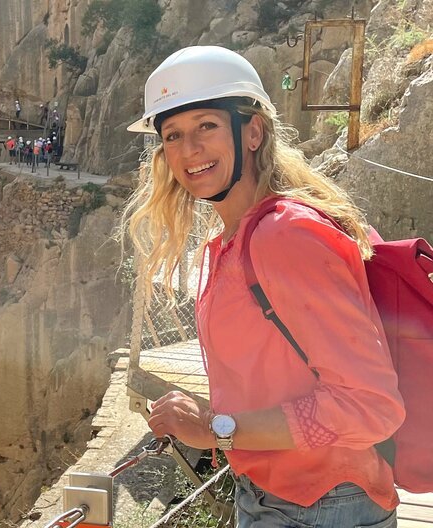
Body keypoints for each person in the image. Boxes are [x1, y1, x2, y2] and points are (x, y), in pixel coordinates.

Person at [123, 45, 405, 528]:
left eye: (207, 126)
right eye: (173, 135)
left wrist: (215, 428)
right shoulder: (237, 237)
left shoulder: (285, 237)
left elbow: (371, 407)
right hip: (277, 498)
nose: (189, 149)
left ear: (252, 131)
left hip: (321, 507)